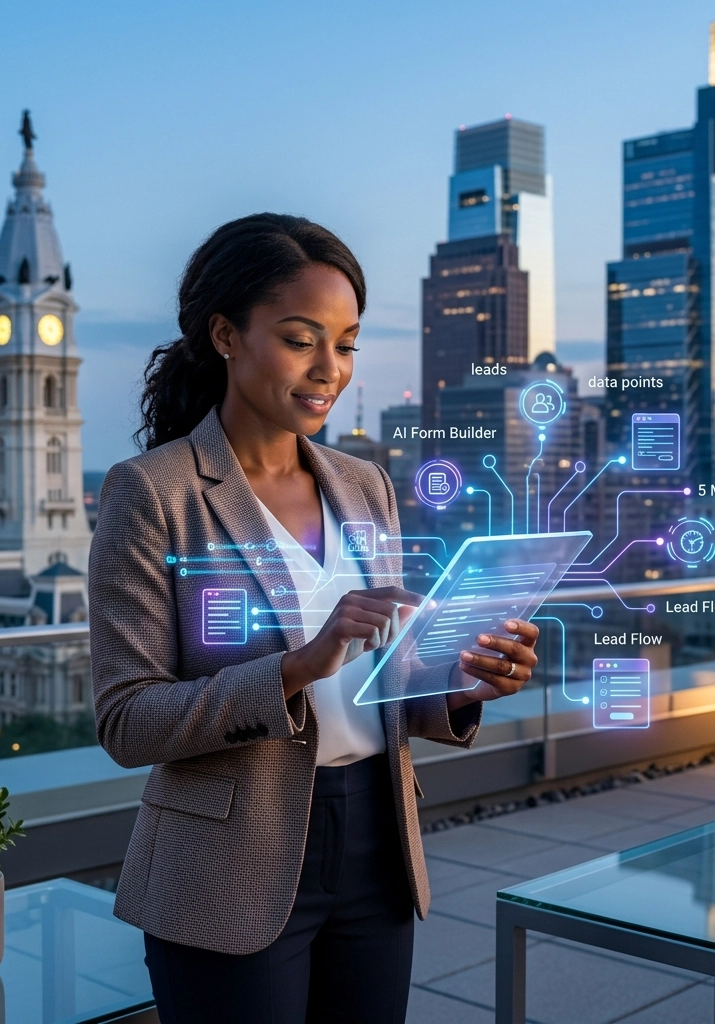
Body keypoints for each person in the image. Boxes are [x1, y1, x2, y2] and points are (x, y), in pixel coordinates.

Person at [88, 213, 540, 1024]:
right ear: (226, 335)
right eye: (302, 339)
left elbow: (380, 679)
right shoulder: (152, 492)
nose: (329, 368)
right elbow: (127, 721)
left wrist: (462, 683)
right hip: (230, 857)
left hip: (377, 842)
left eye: (347, 343)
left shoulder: (365, 484)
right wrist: (300, 662)